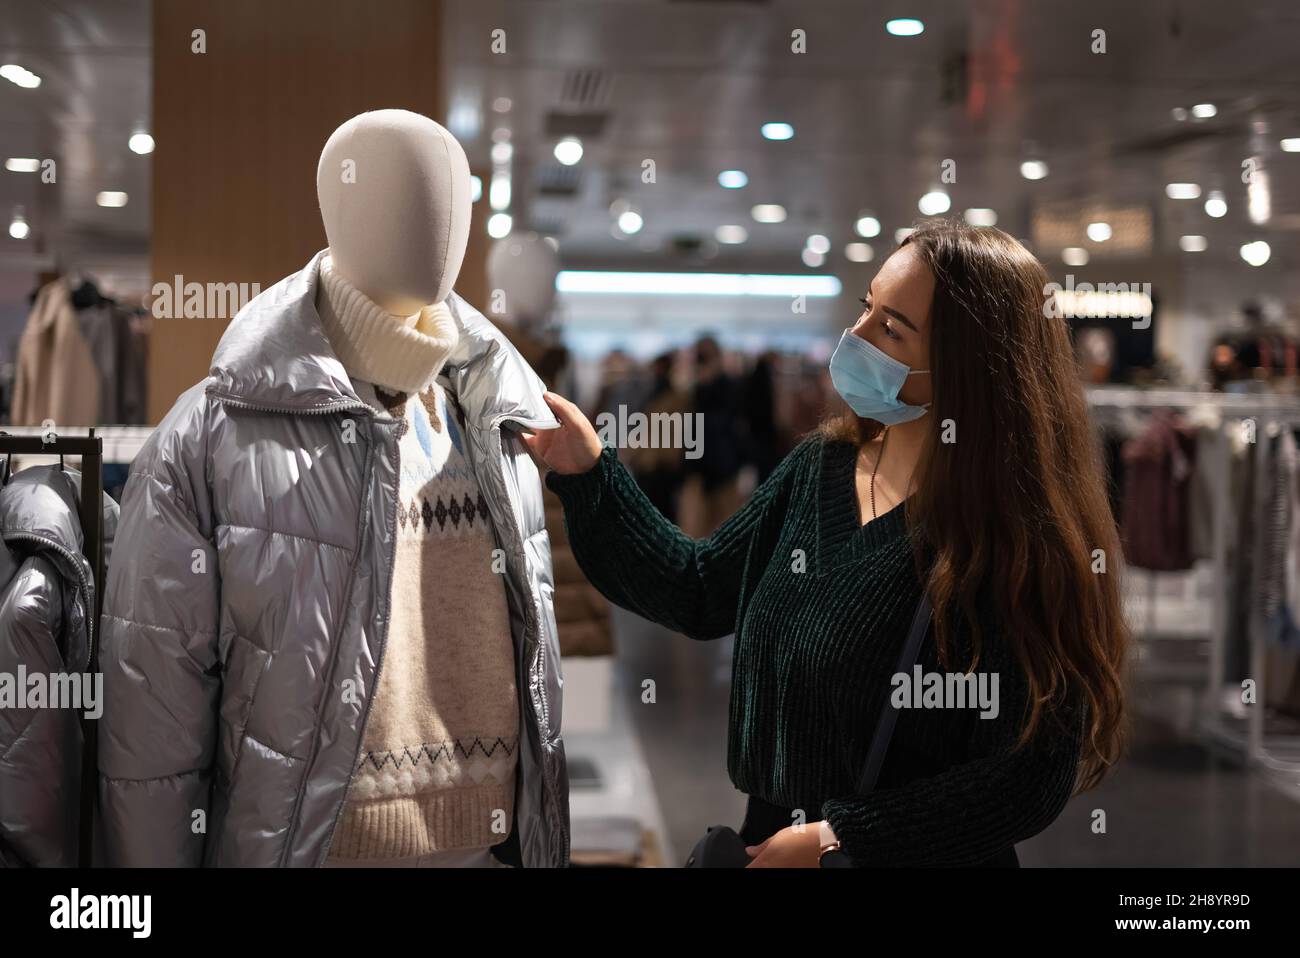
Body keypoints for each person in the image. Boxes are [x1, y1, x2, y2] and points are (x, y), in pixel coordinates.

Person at [521, 220, 1129, 867]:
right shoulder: (823, 465)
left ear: (967, 367)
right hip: (775, 839)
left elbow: (1030, 778)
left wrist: (843, 836)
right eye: (867, 306)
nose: (856, 336)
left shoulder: (1012, 530)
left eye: (892, 329)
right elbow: (698, 588)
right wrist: (590, 473)